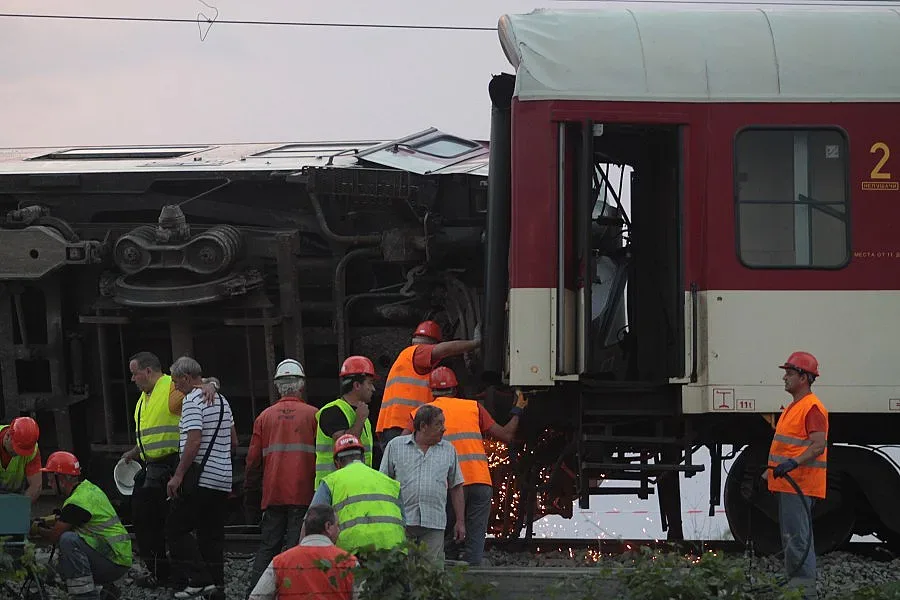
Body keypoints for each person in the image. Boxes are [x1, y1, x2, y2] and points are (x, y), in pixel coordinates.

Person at [406, 367, 526, 566]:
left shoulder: (422, 413)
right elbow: (506, 435)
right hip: (480, 482)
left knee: (443, 539)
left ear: (431, 390)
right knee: (475, 540)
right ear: (455, 389)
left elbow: (402, 446)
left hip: (448, 485)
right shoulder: (474, 407)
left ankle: (446, 581)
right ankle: (474, 578)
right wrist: (518, 410)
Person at [119, 351, 218, 588]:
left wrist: (212, 384)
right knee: (145, 523)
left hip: (170, 466)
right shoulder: (144, 398)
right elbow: (153, 433)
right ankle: (160, 573)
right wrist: (134, 452)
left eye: (135, 374)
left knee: (168, 525)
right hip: (151, 467)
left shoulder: (170, 386)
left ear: (148, 371)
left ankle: (179, 577)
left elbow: (200, 382)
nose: (132, 379)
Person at [245, 358, 319, 597]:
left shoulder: (264, 417)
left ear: (278, 386)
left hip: (273, 493)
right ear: (301, 386)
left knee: (268, 548)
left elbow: (253, 462)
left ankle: (255, 595)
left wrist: (251, 491)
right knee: (297, 549)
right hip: (304, 492)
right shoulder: (314, 416)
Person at [165, 356, 237, 600]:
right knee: (212, 535)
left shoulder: (193, 400)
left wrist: (178, 475)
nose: (175, 387)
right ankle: (216, 587)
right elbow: (234, 442)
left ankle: (198, 580)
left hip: (200, 478)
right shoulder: (223, 401)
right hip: (222, 478)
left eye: (176, 381)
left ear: (186, 378)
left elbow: (194, 440)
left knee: (176, 529)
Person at [763, 351, 828, 600]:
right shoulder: (796, 407)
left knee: (797, 538)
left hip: (800, 484)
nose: (784, 378)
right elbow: (788, 445)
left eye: (789, 373)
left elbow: (818, 445)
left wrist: (793, 463)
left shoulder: (811, 408)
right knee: (793, 536)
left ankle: (804, 591)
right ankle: (798, 586)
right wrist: (769, 472)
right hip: (791, 483)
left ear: (804, 377)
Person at [36, 451, 132, 600]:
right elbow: (73, 519)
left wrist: (37, 529)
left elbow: (55, 536)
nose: (49, 483)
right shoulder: (88, 489)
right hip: (118, 556)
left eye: (51, 479)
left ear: (61, 478)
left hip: (114, 562)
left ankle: (86, 596)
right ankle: (107, 591)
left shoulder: (76, 503)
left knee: (67, 541)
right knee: (64, 561)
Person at [380, 404, 465, 565]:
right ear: (423, 426)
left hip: (434, 522)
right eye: (438, 424)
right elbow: (384, 483)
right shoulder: (396, 446)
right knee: (402, 569)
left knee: (432, 572)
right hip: (402, 523)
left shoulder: (448, 450)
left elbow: (456, 486)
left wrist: (460, 522)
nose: (444, 428)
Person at [376, 321, 481, 448]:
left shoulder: (407, 359)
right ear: (432, 344)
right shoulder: (418, 352)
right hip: (402, 426)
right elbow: (444, 350)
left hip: (396, 427)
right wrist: (474, 344)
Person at [310, 434, 405, 555]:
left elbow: (312, 521)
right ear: (363, 458)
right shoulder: (390, 482)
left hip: (354, 553)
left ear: (337, 463)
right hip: (395, 550)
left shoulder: (331, 482)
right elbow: (403, 522)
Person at [247, 504, 358, 600]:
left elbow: (256, 597)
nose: (339, 530)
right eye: (337, 525)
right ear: (328, 526)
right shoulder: (349, 562)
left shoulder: (280, 562)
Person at [314, 356, 377, 489]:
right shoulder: (332, 411)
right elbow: (345, 445)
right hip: (332, 488)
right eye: (370, 383)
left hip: (357, 486)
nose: (373, 389)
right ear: (357, 385)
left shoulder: (361, 413)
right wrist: (360, 420)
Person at [0, 416, 42, 502]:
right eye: (17, 449)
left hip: (17, 495)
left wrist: (19, 507)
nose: (20, 454)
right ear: (8, 436)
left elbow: (35, 486)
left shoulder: (32, 450)